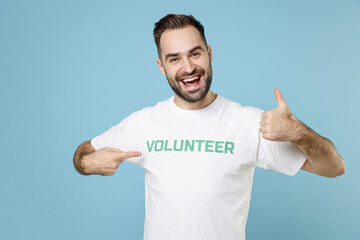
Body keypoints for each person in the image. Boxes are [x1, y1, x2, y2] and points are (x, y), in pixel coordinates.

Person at [73, 14, 345, 240]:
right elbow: (83, 152)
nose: (188, 67)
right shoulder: (144, 123)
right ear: (161, 67)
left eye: (195, 53)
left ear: (210, 53)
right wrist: (87, 163)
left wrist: (297, 131)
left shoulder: (249, 123)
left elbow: (335, 167)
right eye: (174, 58)